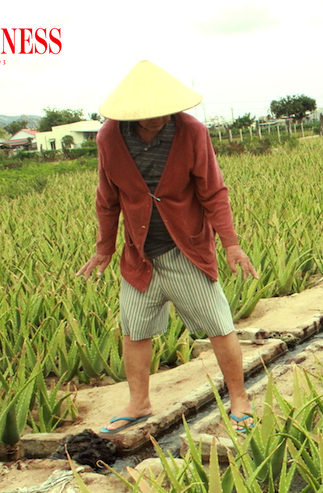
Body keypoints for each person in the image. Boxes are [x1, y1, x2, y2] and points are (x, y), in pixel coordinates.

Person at [76, 60, 258, 434]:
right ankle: (139, 401)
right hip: (139, 253)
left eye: (165, 113)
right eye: (150, 115)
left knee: (218, 324)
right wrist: (103, 248)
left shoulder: (191, 132)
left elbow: (213, 192)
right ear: (132, 114)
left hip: (186, 249)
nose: (159, 119)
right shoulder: (109, 138)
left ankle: (239, 396)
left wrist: (231, 244)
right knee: (135, 328)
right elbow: (107, 198)